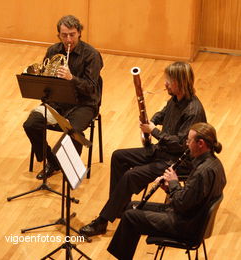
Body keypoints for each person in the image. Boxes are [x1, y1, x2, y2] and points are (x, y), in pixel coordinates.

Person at [80, 61, 207, 236]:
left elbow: (180, 144)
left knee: (131, 175)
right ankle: (119, 208)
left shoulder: (193, 110)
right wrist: (151, 120)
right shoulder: (175, 99)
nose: (165, 84)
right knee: (118, 156)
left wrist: (153, 131)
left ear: (180, 82)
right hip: (162, 152)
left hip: (177, 162)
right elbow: (162, 114)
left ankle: (102, 221)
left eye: (169, 81)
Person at [107, 122, 226, 260]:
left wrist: (173, 182)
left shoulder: (202, 172)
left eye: (189, 141)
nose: (186, 144)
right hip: (191, 217)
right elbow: (191, 198)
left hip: (185, 225)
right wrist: (169, 188)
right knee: (130, 206)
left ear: (200, 143)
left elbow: (182, 205)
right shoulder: (215, 164)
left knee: (130, 217)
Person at [23, 15, 103, 179]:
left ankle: (70, 167)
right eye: (64, 35)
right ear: (58, 35)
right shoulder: (53, 51)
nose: (68, 39)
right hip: (57, 103)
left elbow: (91, 88)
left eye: (72, 34)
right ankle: (53, 162)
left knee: (73, 131)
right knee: (31, 124)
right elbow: (45, 82)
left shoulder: (91, 55)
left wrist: (71, 78)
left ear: (79, 33)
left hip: (84, 105)